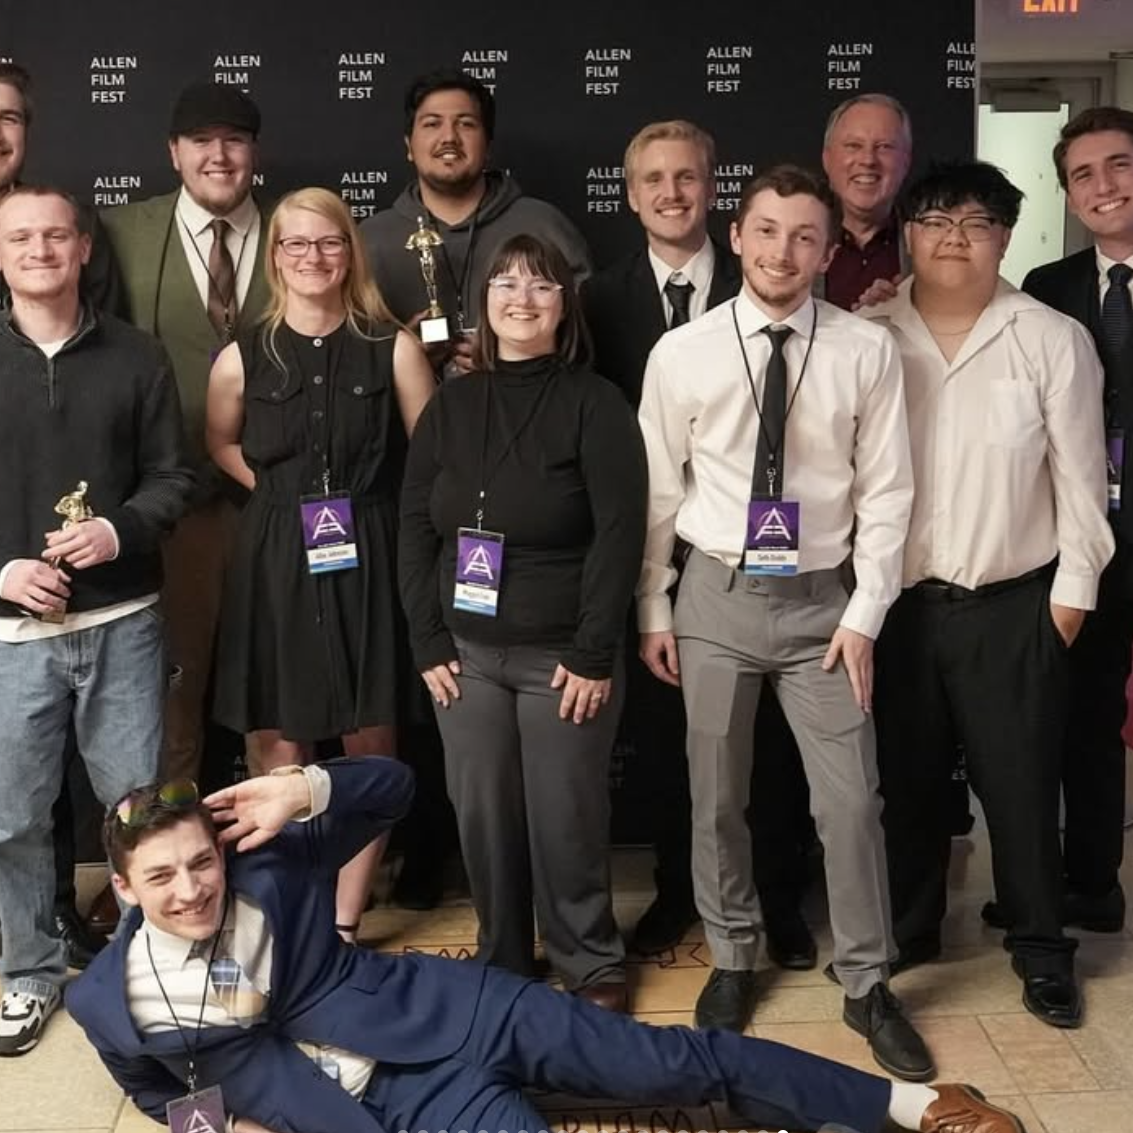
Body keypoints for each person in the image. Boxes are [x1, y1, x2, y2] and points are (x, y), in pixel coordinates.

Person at [67, 756, 1026, 1133]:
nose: (193, 888)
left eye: (198, 863)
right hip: (406, 1108)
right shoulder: (105, 1000)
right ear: (122, 889)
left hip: (468, 1012)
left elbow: (397, 789)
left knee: (676, 1062)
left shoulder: (270, 867)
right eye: (162, 877)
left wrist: (310, 787)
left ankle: (918, 1104)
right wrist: (223, 1127)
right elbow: (155, 1089)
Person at [637, 164, 931, 1081]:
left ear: (826, 247)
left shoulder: (861, 349)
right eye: (766, 231)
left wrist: (866, 615)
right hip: (715, 596)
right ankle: (731, 956)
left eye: (804, 236)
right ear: (736, 235)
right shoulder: (681, 352)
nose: (783, 252)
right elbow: (659, 490)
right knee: (715, 795)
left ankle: (866, 981)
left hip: (824, 606)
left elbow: (888, 492)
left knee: (849, 802)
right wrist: (652, 602)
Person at [863, 161, 1113, 1028]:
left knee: (1019, 789)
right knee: (908, 784)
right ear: (908, 232)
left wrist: (1066, 603)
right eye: (934, 220)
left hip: (1015, 606)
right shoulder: (869, 335)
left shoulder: (1050, 337)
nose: (953, 238)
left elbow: (1083, 483)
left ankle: (1043, 949)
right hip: (898, 608)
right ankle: (911, 927)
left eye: (975, 222)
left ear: (1005, 236)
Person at [583, 119, 815, 970]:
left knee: (776, 745)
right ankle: (684, 890)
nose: (670, 193)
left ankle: (779, 896)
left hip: (771, 558)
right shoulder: (596, 298)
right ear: (631, 191)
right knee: (673, 743)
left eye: (686, 177)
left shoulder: (765, 285)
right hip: (650, 553)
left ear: (713, 191)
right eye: (653, 179)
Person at [399, 233, 644, 1012]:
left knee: (566, 814)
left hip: (560, 657)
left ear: (563, 304)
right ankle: (503, 950)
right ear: (484, 301)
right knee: (482, 815)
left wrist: (593, 649)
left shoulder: (594, 402)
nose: (521, 299)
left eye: (540, 286)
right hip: (465, 655)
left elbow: (619, 532)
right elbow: (414, 522)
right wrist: (427, 637)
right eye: (505, 283)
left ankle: (589, 957)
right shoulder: (451, 404)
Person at [205, 187, 434, 941]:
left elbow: (429, 458)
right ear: (274, 257)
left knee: (370, 731)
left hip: (369, 547)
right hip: (274, 554)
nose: (313, 257)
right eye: (296, 244)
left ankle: (340, 918)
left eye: (328, 243)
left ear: (350, 252)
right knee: (278, 734)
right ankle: (288, 910)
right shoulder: (241, 355)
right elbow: (221, 445)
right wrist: (278, 497)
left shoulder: (391, 345)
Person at [0, 185, 194, 1055]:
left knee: (138, 811)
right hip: (11, 636)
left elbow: (173, 479)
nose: (39, 249)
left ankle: (141, 962)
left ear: (84, 248)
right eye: (20, 237)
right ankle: (27, 973)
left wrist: (118, 528)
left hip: (124, 620)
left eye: (55, 236)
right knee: (9, 818)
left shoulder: (139, 356)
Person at [101, 81, 272, 787]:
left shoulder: (302, 229)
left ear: (254, 152)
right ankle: (169, 862)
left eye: (233, 140)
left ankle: (281, 862)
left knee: (279, 684)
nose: (219, 155)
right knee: (172, 685)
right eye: (201, 140)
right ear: (174, 153)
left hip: (278, 499)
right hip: (172, 508)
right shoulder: (121, 231)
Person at [0, 59, 124, 971]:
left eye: (7, 116)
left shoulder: (67, 240)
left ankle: (43, 932)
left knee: (35, 787)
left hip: (84, 592)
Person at [1011, 106, 1133, 935]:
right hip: (1087, 533)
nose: (1102, 186)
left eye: (1119, 165)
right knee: (1085, 713)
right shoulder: (1046, 291)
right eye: (1082, 174)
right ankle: (1090, 880)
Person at [362, 68, 591, 375]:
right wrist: (403, 356)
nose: (449, 138)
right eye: (432, 124)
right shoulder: (369, 240)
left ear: (488, 144)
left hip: (525, 414)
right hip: (408, 420)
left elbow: (588, 338)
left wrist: (518, 353)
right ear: (408, 145)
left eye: (466, 124)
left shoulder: (544, 226)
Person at [820, 93, 913, 311]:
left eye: (884, 147)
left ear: (906, 162)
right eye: (853, 145)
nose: (868, 160)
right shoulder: (790, 246)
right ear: (827, 159)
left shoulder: (931, 250)